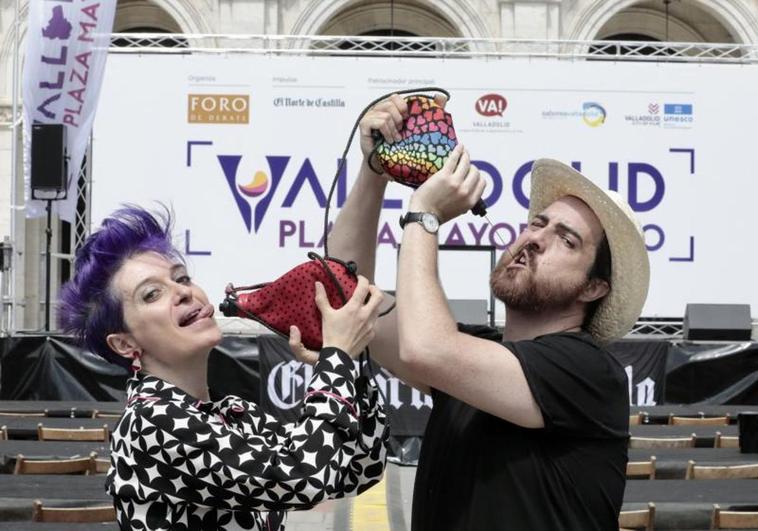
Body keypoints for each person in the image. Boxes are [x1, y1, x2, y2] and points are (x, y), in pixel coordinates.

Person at [290, 95, 650, 530]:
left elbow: (429, 350)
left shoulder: (587, 370)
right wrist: (374, 173)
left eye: (567, 240)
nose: (536, 239)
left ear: (594, 287)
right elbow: (346, 292)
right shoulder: (476, 351)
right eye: (538, 224)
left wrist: (424, 215)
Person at [58, 206, 388, 530]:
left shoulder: (232, 412)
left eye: (181, 277)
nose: (183, 292)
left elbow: (360, 470)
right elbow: (300, 479)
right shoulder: (150, 423)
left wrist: (348, 368)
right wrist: (337, 359)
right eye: (152, 294)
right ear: (125, 344)